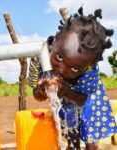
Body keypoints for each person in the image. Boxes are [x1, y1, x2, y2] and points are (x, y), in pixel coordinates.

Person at [28, 7, 117, 150]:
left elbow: (83, 99)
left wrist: (68, 92)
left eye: (75, 69)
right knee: (70, 130)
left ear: (86, 66)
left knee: (90, 134)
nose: (62, 70)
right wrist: (43, 89)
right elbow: (36, 95)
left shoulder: (89, 71)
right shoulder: (39, 57)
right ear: (56, 39)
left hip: (87, 96)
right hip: (65, 95)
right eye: (58, 57)